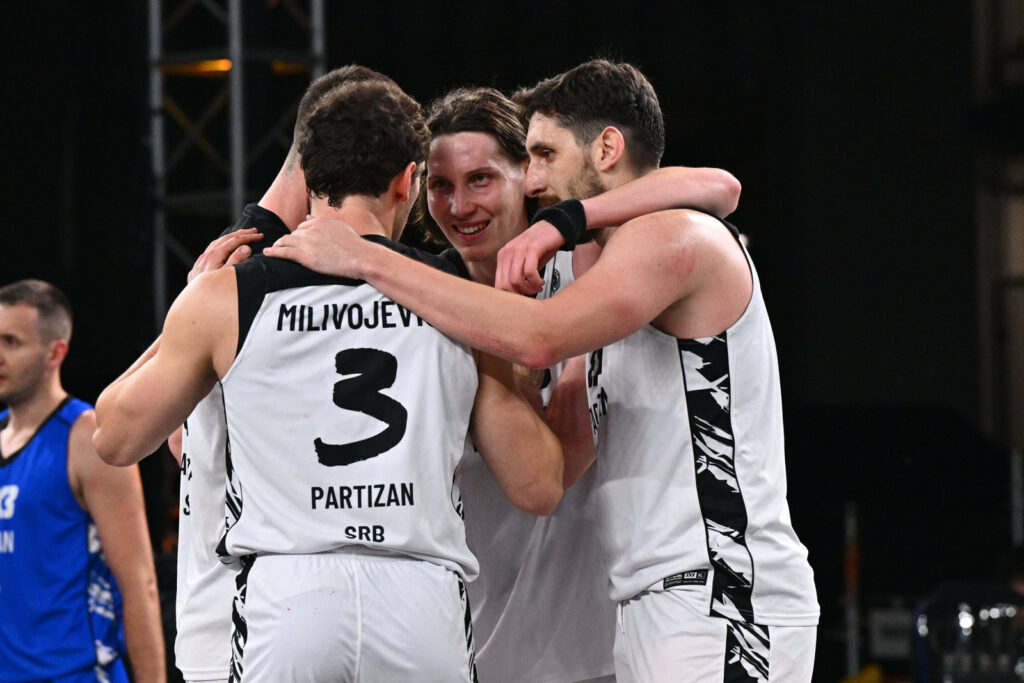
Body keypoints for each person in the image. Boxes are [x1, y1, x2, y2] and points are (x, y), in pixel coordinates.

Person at [267, 59, 819, 682]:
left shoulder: (651, 245)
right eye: (440, 185)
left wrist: (370, 258)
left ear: (605, 148)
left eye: (540, 157)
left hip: (711, 591)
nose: (534, 180)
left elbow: (715, 189)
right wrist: (256, 232)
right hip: (624, 607)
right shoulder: (578, 270)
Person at [93, 77, 563, 682]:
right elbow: (536, 484)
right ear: (408, 180)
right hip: (419, 595)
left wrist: (187, 313)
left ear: (308, 179)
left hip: (290, 592)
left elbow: (116, 439)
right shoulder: (458, 300)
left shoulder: (229, 294)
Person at [416, 85, 741, 683]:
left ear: (528, 175)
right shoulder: (420, 304)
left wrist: (568, 220)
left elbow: (717, 187)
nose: (459, 205)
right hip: (473, 648)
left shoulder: (592, 269)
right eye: (440, 185)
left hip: (603, 648)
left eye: (481, 179)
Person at [169, 64, 396, 683]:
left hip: (245, 614)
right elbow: (156, 437)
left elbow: (178, 436)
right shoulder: (251, 272)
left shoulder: (230, 268)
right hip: (258, 611)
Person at [0, 279, 165, 683]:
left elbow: (139, 584)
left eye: (11, 342)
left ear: (55, 352)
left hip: (74, 675)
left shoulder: (88, 438)